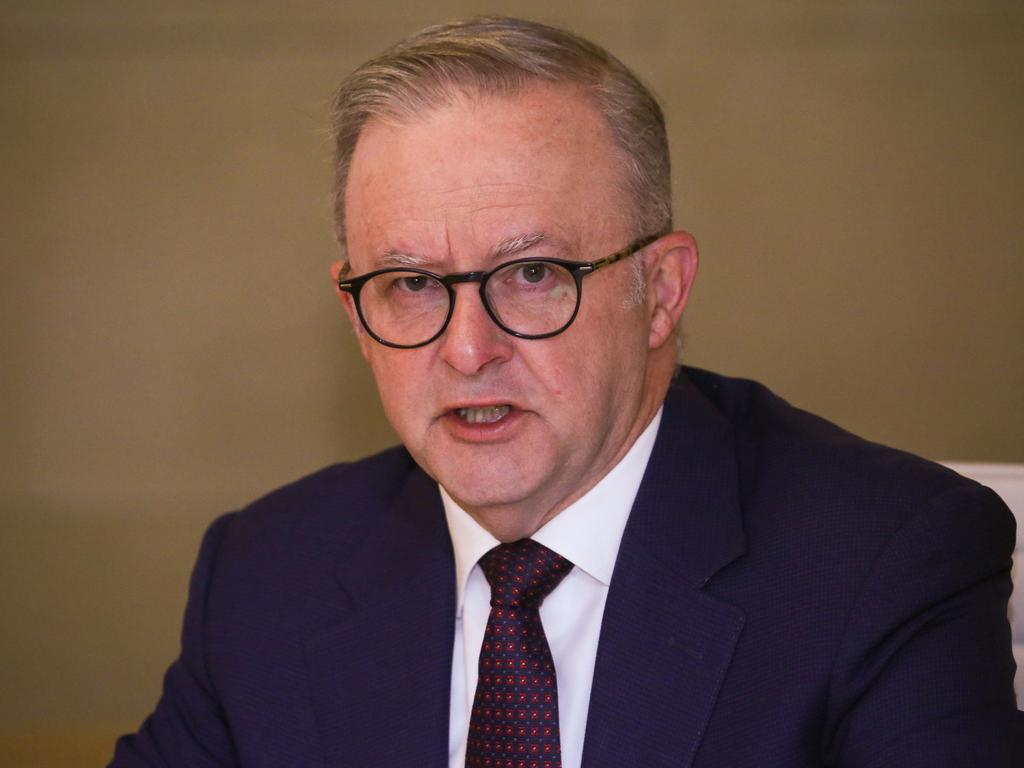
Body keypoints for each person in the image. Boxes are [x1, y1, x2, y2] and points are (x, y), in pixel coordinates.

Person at [110, 16, 1022, 768]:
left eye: (534, 273)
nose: (469, 351)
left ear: (659, 292)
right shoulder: (267, 574)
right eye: (414, 284)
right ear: (356, 313)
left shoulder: (886, 559)